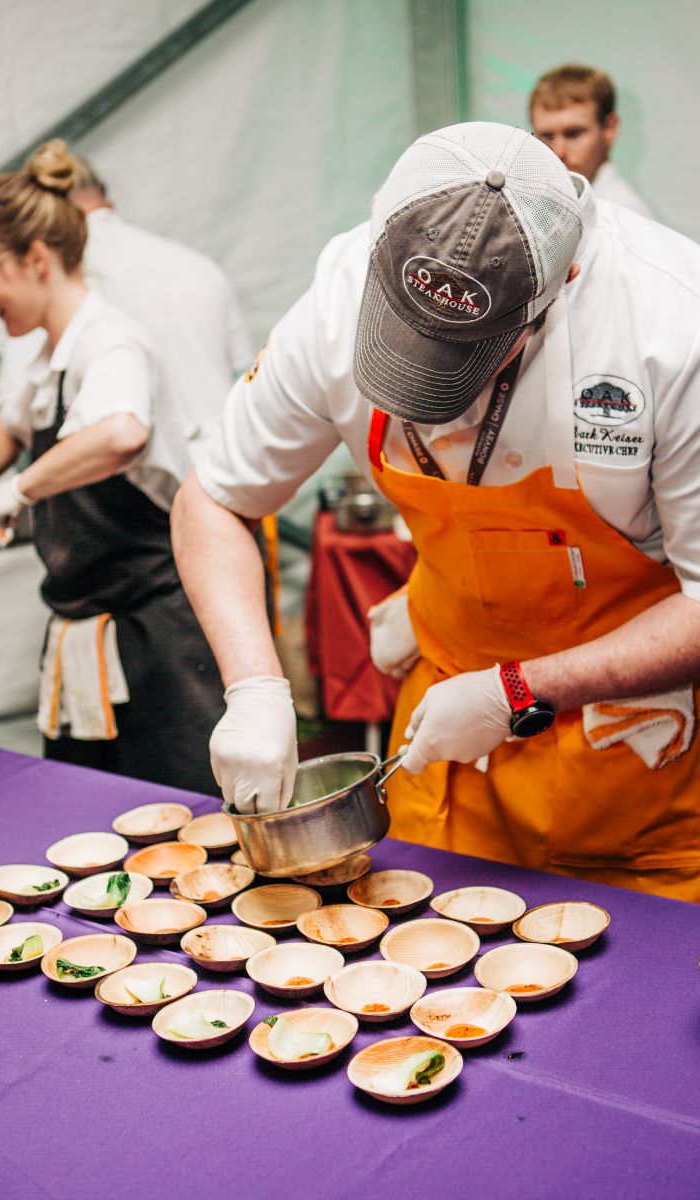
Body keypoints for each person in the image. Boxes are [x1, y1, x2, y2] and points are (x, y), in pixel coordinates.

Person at [172, 121, 700, 902]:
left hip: (640, 760)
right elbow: (214, 497)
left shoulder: (671, 324)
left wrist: (516, 690)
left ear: (567, 277)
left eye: (470, 361)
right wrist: (255, 686)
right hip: (449, 746)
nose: (439, 407)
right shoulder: (334, 298)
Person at [0, 139, 224, 793]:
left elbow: (122, 433)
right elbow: (13, 421)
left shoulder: (113, 340)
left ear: (36, 258)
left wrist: (15, 494)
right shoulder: (47, 353)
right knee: (82, 814)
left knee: (181, 821)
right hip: (86, 633)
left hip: (159, 644)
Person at [0, 153, 253, 456]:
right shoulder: (202, 268)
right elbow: (248, 386)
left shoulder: (51, 286)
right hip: (232, 474)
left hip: (134, 492)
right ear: (108, 203)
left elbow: (17, 417)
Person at [529, 64, 652, 218]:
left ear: (609, 128)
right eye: (547, 137)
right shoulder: (530, 208)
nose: (559, 151)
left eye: (574, 134)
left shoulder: (625, 216)